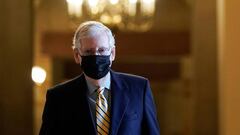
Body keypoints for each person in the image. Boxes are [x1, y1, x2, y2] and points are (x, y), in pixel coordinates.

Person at [39, 21, 160, 135]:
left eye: (101, 50)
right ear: (77, 55)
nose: (96, 56)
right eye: (89, 52)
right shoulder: (58, 97)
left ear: (112, 53)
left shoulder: (139, 89)